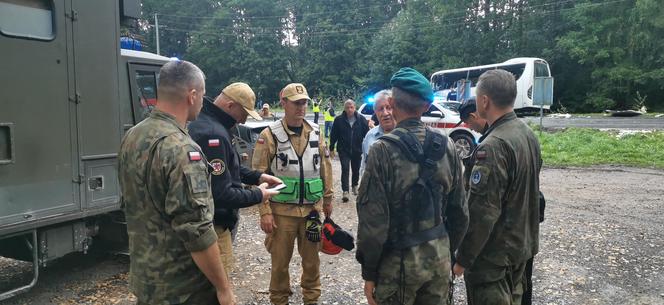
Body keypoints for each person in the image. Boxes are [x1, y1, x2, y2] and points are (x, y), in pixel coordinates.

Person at [118, 60, 235, 305]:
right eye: (203, 96)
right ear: (192, 96)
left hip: (147, 280)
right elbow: (197, 231)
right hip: (183, 289)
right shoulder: (182, 149)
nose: (203, 102)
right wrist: (224, 288)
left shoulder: (132, 135)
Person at [356, 67, 469, 305]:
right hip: (438, 261)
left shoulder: (382, 150)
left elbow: (373, 222)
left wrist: (369, 272)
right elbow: (460, 212)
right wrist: (447, 252)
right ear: (426, 107)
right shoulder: (447, 145)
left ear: (393, 104)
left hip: (397, 267)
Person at [453, 69, 542, 305]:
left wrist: (462, 258)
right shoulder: (527, 134)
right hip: (520, 249)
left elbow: (483, 211)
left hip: (493, 257)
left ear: (484, 101)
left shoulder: (492, 146)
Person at [251, 83, 334, 305]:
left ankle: (311, 300)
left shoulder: (316, 132)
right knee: (279, 266)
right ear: (284, 102)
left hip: (311, 212)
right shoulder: (269, 136)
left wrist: (328, 198)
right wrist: (265, 211)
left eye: (304, 102)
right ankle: (279, 301)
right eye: (296, 103)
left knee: (312, 263)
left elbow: (325, 167)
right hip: (281, 213)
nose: (301, 107)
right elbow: (258, 176)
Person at [188, 82, 282, 277]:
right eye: (244, 113)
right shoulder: (214, 133)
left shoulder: (212, 123)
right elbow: (220, 193)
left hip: (207, 223)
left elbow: (227, 168)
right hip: (213, 225)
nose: (244, 119)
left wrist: (257, 177)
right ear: (231, 106)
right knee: (217, 286)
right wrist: (259, 195)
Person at [329, 99, 370, 202]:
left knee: (356, 169)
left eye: (351, 107)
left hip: (357, 149)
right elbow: (334, 134)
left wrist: (368, 148)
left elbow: (368, 135)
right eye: (347, 107)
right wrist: (331, 147)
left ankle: (355, 185)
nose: (349, 109)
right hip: (344, 149)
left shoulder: (361, 119)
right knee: (345, 168)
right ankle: (345, 191)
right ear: (344, 108)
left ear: (354, 108)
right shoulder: (339, 120)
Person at [360, 89, 395, 173]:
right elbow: (364, 167)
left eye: (388, 108)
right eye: (380, 109)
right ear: (375, 112)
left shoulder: (405, 135)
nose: (385, 113)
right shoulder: (370, 136)